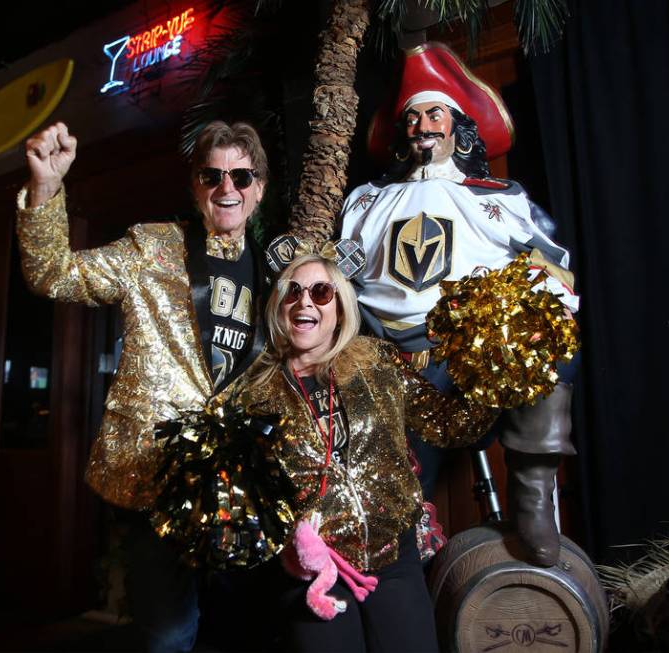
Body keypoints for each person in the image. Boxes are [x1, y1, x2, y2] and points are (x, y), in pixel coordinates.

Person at [16, 120, 271, 651]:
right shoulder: (153, 247)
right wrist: (45, 187)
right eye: (212, 175)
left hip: (244, 485)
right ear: (196, 185)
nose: (228, 188)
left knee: (241, 633)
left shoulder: (277, 273)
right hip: (155, 476)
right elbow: (53, 273)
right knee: (168, 636)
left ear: (259, 188)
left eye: (242, 176)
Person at [339, 42, 580, 567]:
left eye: (434, 112)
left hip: (474, 353)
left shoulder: (501, 195)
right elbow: (341, 272)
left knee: (552, 335)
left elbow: (553, 263)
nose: (421, 124)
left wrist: (546, 305)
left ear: (457, 125)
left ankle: (534, 495)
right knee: (391, 513)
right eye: (412, 116)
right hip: (385, 355)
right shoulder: (366, 201)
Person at [220, 253, 497, 652]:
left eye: (320, 291)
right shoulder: (252, 393)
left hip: (392, 557)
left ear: (339, 306)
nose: (305, 302)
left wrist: (493, 376)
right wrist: (285, 536)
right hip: (313, 573)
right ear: (279, 307)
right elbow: (239, 495)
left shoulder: (376, 361)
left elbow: (448, 424)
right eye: (292, 292)